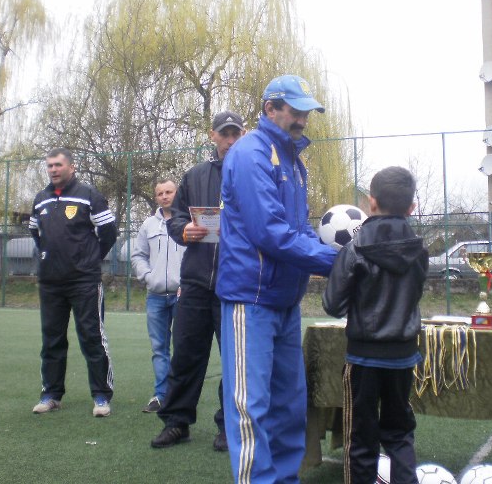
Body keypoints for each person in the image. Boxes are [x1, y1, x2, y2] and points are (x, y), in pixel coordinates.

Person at [217, 75, 339, 483]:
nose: (303, 119)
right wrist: (336, 263)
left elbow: (299, 230)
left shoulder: (293, 161)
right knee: (251, 406)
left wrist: (340, 257)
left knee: (290, 404)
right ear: (270, 108)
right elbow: (270, 232)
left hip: (285, 299)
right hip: (250, 297)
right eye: (296, 110)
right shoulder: (250, 153)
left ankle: (285, 478)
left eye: (307, 112)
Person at [322, 166, 428, 484]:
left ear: (371, 202)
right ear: (411, 207)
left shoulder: (354, 248)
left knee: (361, 437)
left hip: (364, 358)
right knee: (399, 433)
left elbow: (332, 305)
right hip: (403, 356)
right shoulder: (420, 250)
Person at [150, 110, 245, 451]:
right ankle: (177, 422)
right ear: (212, 135)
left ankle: (229, 425)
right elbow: (175, 218)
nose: (230, 140)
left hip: (234, 285)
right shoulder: (194, 175)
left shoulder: (252, 174)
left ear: (243, 135)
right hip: (194, 284)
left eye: (235, 134)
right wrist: (184, 230)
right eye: (224, 134)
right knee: (186, 356)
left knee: (233, 361)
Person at [28, 148, 117, 417]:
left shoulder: (89, 195)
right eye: (50, 166)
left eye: (58, 165)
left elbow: (109, 232)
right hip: (50, 282)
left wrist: (90, 259)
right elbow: (35, 232)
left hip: (84, 281)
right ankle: (51, 394)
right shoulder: (41, 199)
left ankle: (101, 396)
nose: (53, 170)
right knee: (52, 339)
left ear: (71, 167)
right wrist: (48, 259)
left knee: (92, 337)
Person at [131, 179, 185, 413]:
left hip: (183, 296)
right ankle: (161, 396)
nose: (165, 196)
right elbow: (138, 255)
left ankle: (179, 396)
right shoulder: (148, 225)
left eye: (169, 192)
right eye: (160, 193)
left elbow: (198, 254)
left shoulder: (188, 222)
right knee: (159, 348)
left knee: (183, 348)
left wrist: (188, 282)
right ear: (156, 198)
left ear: (177, 193)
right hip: (155, 296)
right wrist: (147, 276)